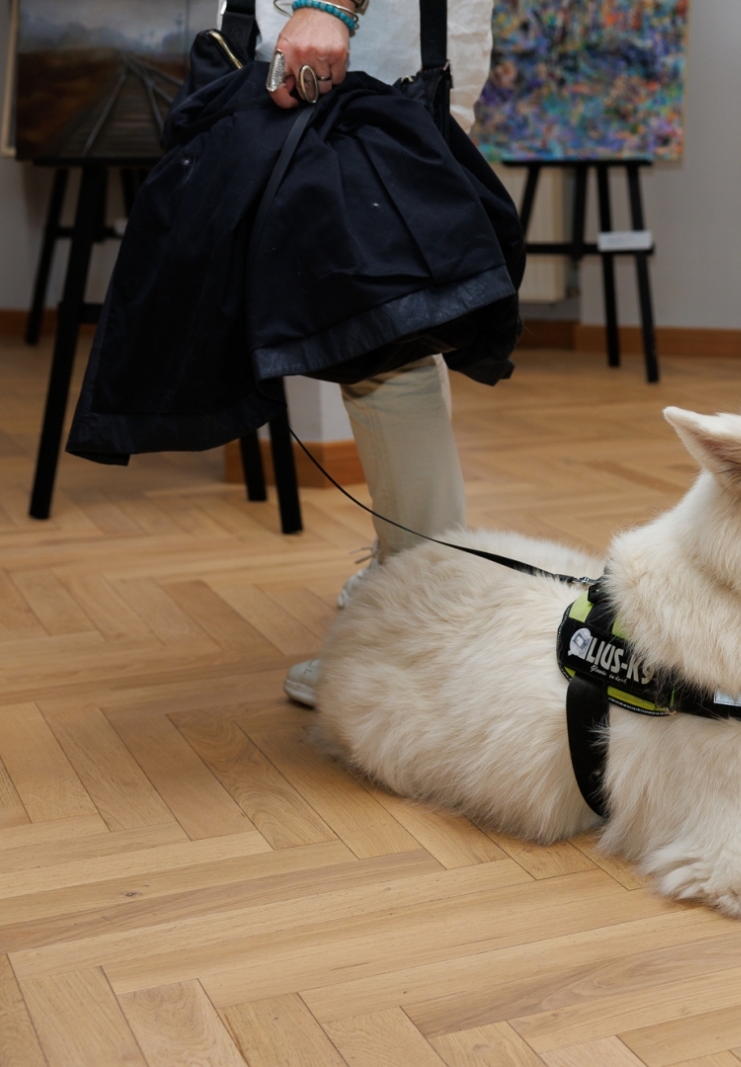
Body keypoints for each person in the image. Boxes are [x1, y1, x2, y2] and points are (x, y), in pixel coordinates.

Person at [261, 0, 496, 707]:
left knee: (385, 338)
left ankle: (423, 626)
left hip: (365, 48)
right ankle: (415, 573)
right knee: (393, 331)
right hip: (363, 43)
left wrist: (330, 6)